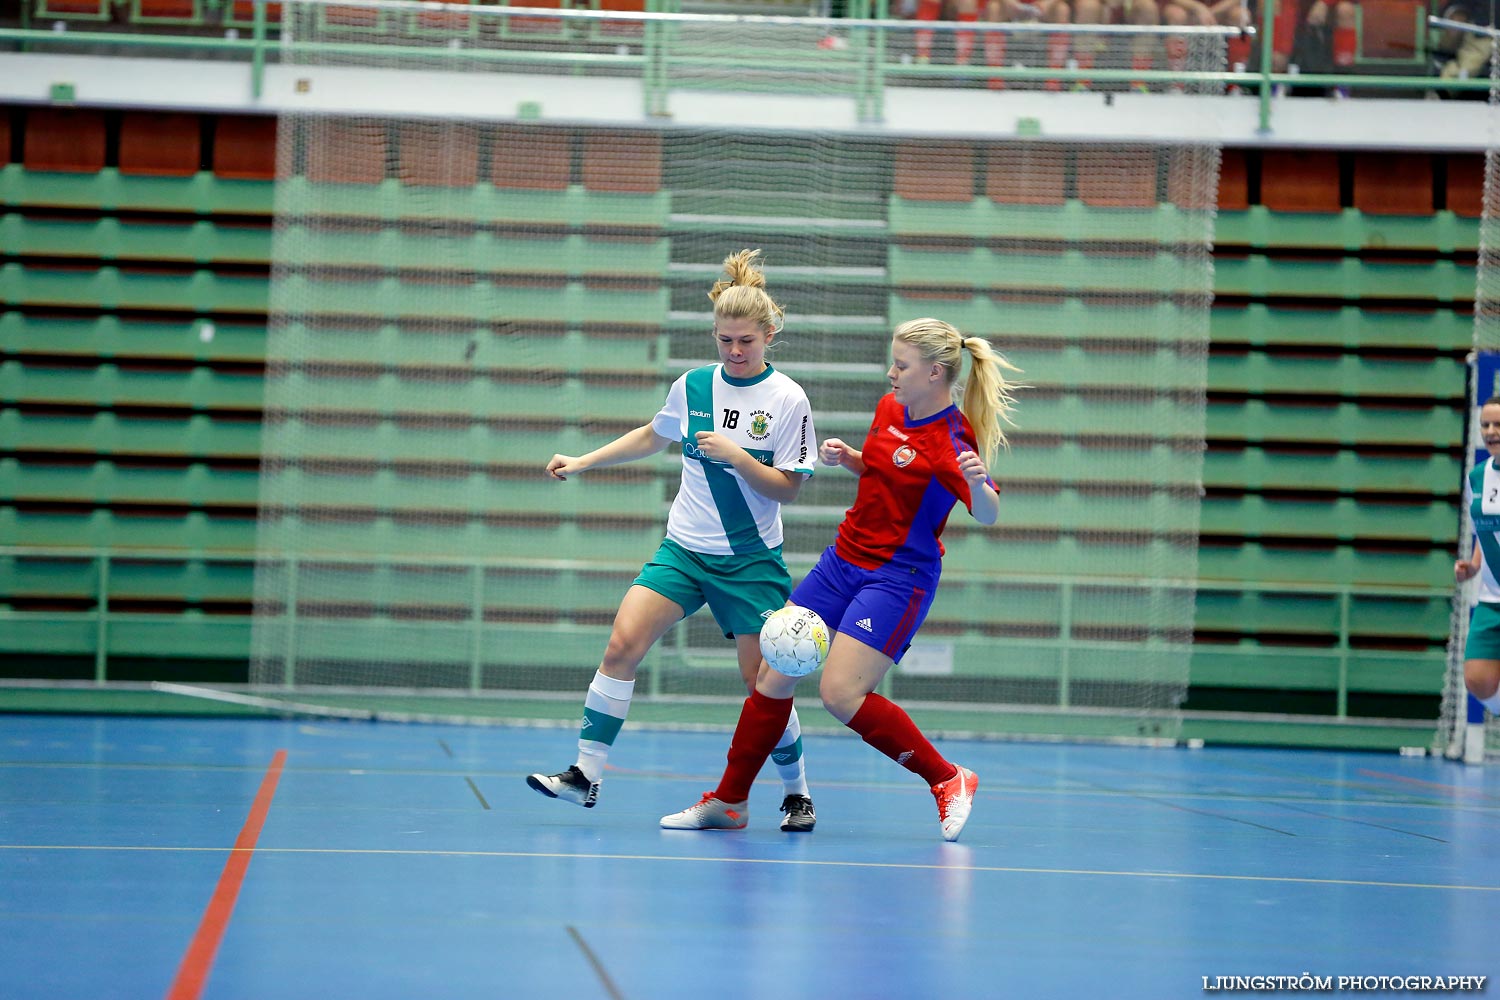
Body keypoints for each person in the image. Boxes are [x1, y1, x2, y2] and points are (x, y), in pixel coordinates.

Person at [660, 317, 1022, 843]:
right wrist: (853, 460)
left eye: (901, 365)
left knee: (840, 693)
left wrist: (976, 483)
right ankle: (730, 800)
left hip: (898, 577)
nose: (891, 372)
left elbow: (987, 514)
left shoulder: (951, 440)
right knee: (774, 669)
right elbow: (888, 477)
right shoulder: (888, 408)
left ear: (935, 373)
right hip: (842, 560)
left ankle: (947, 778)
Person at [526, 249, 821, 833]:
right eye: (724, 340)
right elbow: (651, 436)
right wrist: (583, 461)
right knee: (620, 647)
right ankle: (585, 774)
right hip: (683, 552)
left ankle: (797, 793)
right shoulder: (692, 386)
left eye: (746, 341)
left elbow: (788, 490)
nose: (735, 352)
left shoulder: (788, 400)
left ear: (769, 335)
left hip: (749, 562)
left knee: (761, 685)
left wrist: (737, 457)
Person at [1455, 396, 1500, 716]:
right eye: (1485, 424)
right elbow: (1483, 529)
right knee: (1478, 680)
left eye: (1498, 424)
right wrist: (1472, 566)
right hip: (1491, 597)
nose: (1490, 431)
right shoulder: (1478, 476)